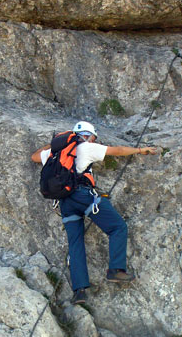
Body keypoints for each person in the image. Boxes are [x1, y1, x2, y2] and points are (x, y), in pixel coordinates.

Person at [31, 121, 157, 304]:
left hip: (65, 202)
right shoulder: (86, 147)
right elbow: (117, 151)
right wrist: (140, 150)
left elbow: (34, 157)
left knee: (75, 244)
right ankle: (116, 270)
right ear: (87, 135)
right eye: (93, 137)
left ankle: (79, 291)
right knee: (117, 227)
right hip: (82, 195)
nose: (94, 140)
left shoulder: (55, 153)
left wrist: (54, 143)